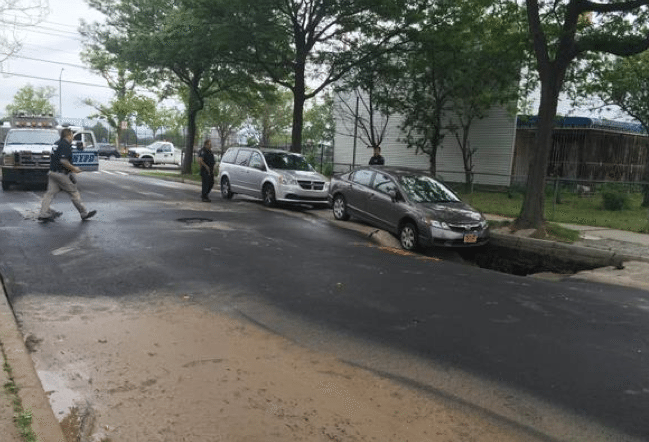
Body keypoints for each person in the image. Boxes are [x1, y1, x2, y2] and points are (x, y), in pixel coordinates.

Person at [38, 128, 96, 222]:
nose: (73, 137)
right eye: (72, 135)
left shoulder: (57, 143)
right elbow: (63, 161)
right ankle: (84, 213)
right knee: (74, 193)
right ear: (68, 135)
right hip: (61, 174)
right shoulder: (65, 145)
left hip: (52, 172)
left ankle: (43, 213)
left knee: (49, 194)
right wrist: (74, 169)